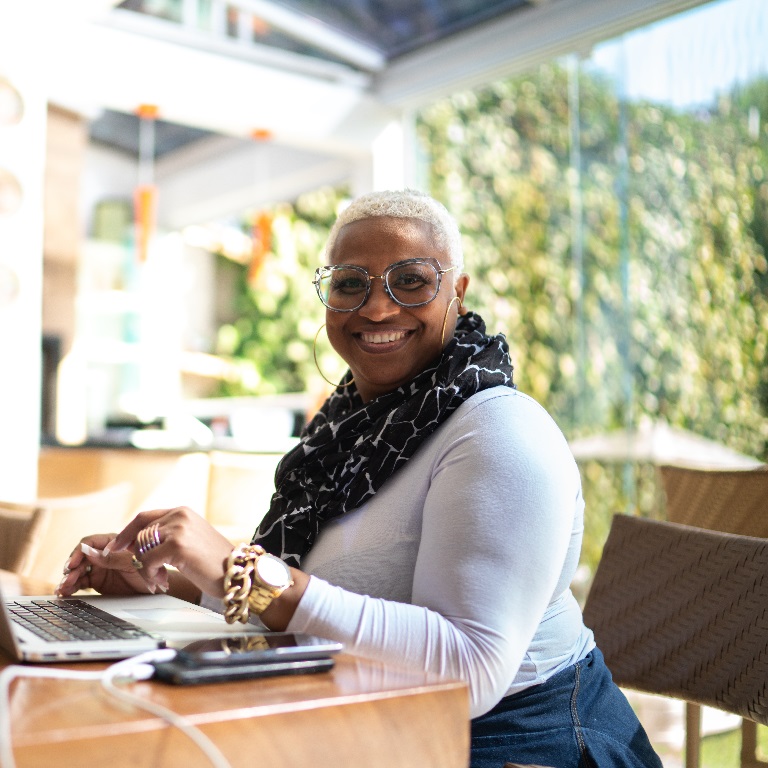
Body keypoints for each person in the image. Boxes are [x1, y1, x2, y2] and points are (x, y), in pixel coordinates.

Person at [58, 189, 662, 768]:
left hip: (511, 743)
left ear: (458, 291)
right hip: (372, 719)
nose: (376, 307)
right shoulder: (347, 429)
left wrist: (242, 572)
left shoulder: (502, 431)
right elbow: (323, 598)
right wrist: (169, 579)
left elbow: (470, 672)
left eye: (411, 279)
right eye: (350, 284)